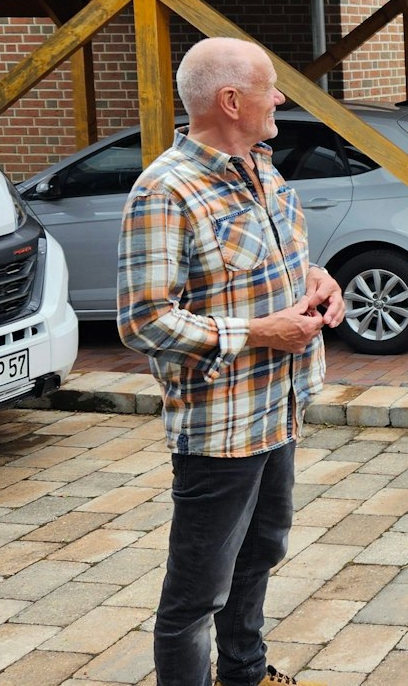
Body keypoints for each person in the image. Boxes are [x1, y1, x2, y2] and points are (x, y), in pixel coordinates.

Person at [117, 36, 346, 686]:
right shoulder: (165, 190)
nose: (279, 97)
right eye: (269, 86)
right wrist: (259, 332)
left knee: (262, 550)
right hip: (221, 426)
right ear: (230, 99)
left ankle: (244, 674)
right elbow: (143, 320)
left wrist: (316, 278)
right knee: (196, 593)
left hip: (279, 406)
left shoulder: (262, 167)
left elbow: (275, 260)